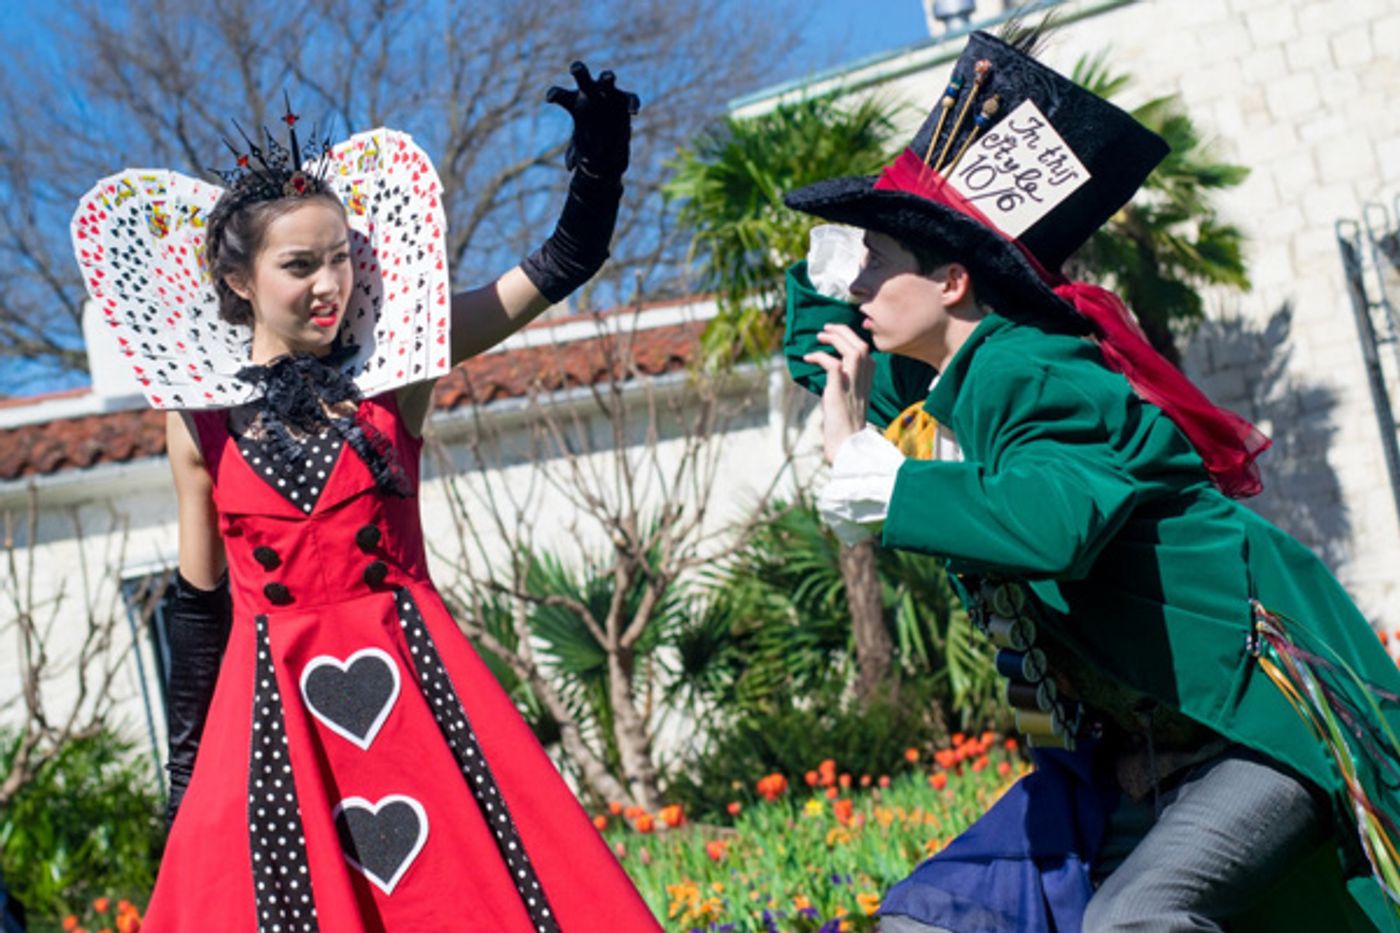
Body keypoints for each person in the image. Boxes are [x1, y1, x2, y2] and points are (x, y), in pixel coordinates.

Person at [783, 29, 1400, 933]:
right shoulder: (953, 378)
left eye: (875, 259)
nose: (858, 284)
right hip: (1130, 764)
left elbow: (1054, 521)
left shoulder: (1037, 371)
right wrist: (866, 224)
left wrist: (880, 481)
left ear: (952, 281)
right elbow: (817, 348)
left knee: (1134, 922)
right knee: (933, 921)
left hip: (1251, 729)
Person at [73, 64, 660, 930]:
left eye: (340, 259)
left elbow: (558, 266)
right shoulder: (195, 420)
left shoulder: (394, 368)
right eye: (299, 264)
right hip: (273, 727)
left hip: (419, 698)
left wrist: (599, 171)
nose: (328, 285)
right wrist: (186, 783)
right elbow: (199, 611)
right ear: (241, 281)